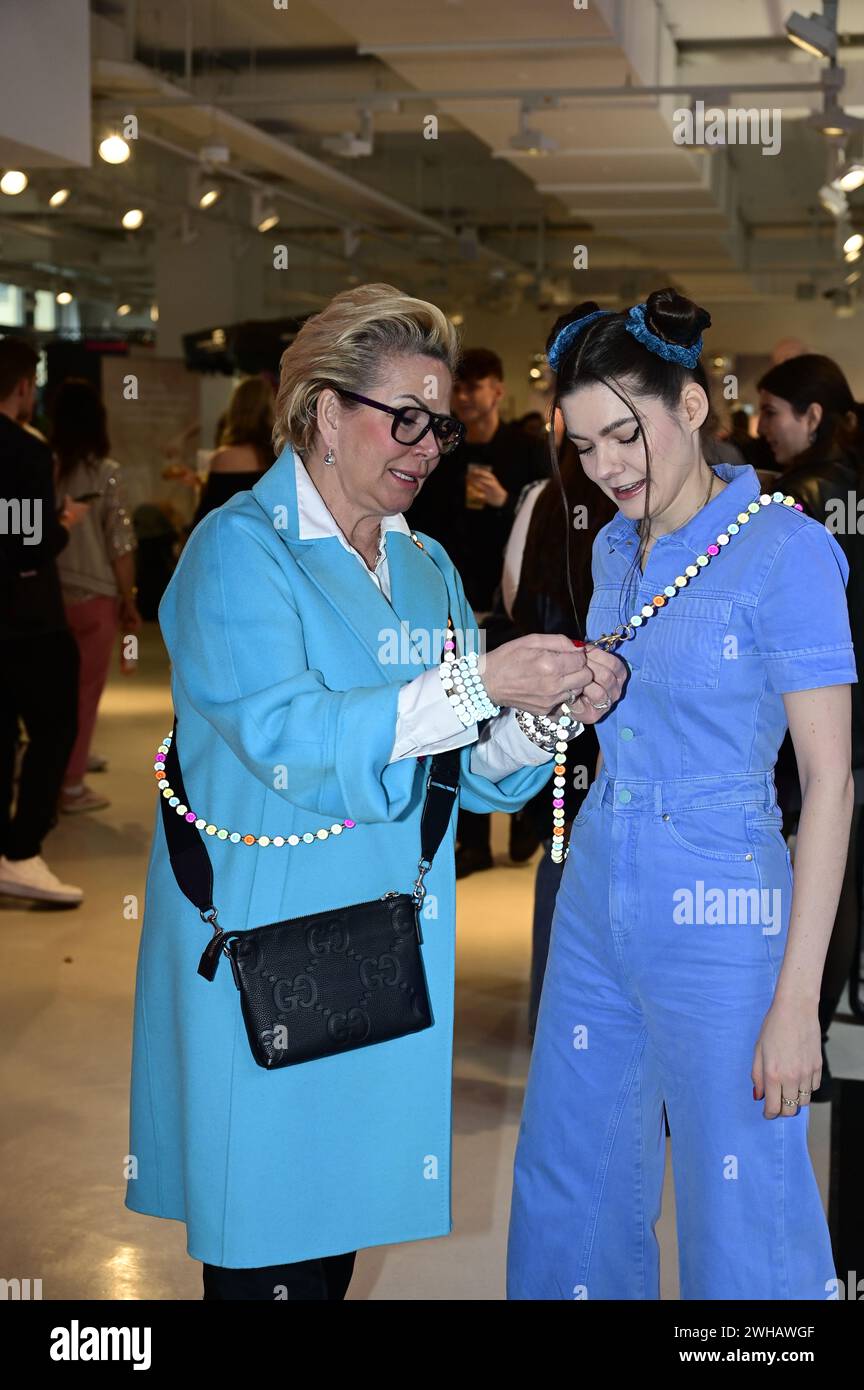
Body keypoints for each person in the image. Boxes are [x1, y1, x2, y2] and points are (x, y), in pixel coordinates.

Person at [125, 282, 626, 1301]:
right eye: (404, 416)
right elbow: (290, 741)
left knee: (333, 1236)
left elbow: (454, 772)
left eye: (437, 425)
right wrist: (480, 680)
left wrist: (542, 716)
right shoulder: (238, 551)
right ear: (319, 410)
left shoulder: (428, 563)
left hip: (384, 949)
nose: (427, 444)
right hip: (271, 956)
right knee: (269, 1250)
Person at [507, 288, 855, 1300]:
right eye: (583, 444)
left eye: (626, 432)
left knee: (741, 1198)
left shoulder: (785, 549)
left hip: (723, 902)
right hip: (596, 889)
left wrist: (799, 1001)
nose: (607, 465)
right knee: (571, 1174)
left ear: (693, 407)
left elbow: (830, 782)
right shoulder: (615, 547)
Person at [757, 354, 864, 1097]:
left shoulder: (791, 505)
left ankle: (798, 1026)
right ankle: (818, 1025)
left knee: (812, 866)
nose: (761, 429)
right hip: (854, 713)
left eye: (772, 414)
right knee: (846, 871)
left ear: (813, 416)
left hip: (811, 710)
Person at [407, 349, 551, 877]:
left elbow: (542, 519)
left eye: (477, 387)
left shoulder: (527, 449)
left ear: (497, 390)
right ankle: (466, 839)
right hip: (452, 598)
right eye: (459, 388)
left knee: (513, 709)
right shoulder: (442, 448)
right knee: (459, 711)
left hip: (511, 601)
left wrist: (504, 500)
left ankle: (522, 822)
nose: (467, 397)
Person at [501, 439, 616, 1036]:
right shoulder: (642, 502)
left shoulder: (544, 498)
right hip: (616, 702)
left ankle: (552, 1013)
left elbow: (515, 595)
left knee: (562, 851)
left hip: (557, 702)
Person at [0, 338, 89, 904]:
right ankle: (22, 850)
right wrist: (65, 521)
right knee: (54, 728)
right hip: (26, 622)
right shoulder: (23, 450)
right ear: (24, 386)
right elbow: (28, 543)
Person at [49, 378, 140, 813]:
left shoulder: (43, 465)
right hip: (96, 598)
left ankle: (64, 761)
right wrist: (130, 598)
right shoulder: (107, 471)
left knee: (52, 692)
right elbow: (120, 543)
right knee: (84, 695)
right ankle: (70, 785)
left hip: (48, 596)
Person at [190, 376, 276, 528]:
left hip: (232, 540)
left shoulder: (223, 458)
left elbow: (206, 518)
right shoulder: (280, 454)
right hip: (271, 542)